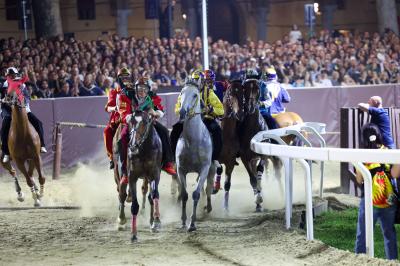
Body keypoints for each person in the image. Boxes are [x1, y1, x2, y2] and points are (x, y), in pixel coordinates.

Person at [354, 123, 399, 260]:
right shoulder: (389, 151)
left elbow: (359, 180)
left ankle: (359, 260)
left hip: (368, 199)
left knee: (363, 234)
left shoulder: (362, 155)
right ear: (379, 135)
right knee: (389, 233)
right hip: (388, 199)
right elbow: (395, 174)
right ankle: (392, 261)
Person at [170, 70, 224, 164]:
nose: (198, 83)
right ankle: (172, 159)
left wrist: (210, 110)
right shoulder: (185, 91)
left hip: (206, 119)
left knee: (217, 131)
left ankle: (215, 158)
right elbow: (177, 108)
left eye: (200, 80)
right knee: (175, 131)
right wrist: (183, 112)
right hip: (188, 119)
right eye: (195, 80)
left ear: (203, 81)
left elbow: (221, 109)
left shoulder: (209, 92)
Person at [1, 67, 47, 163]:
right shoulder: (5, 85)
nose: (12, 76)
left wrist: (22, 104)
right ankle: (6, 152)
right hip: (8, 111)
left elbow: (26, 96)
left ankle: (42, 145)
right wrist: (10, 104)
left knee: (38, 122)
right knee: (4, 128)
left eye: (13, 75)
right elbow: (5, 99)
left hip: (23, 109)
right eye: (10, 75)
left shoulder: (22, 84)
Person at [133, 77, 176, 175]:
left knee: (164, 131)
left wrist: (156, 113)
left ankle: (167, 163)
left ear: (148, 89)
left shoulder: (152, 97)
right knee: (122, 136)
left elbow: (160, 110)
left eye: (145, 88)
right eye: (140, 88)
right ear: (136, 89)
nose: (142, 91)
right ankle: (122, 164)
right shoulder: (132, 98)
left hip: (149, 123)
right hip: (134, 124)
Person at [103, 71, 123, 170]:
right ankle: (111, 157)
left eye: (126, 78)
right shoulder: (113, 92)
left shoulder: (133, 91)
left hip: (129, 117)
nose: (124, 80)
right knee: (107, 131)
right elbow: (107, 108)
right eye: (122, 78)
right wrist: (115, 108)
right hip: (117, 119)